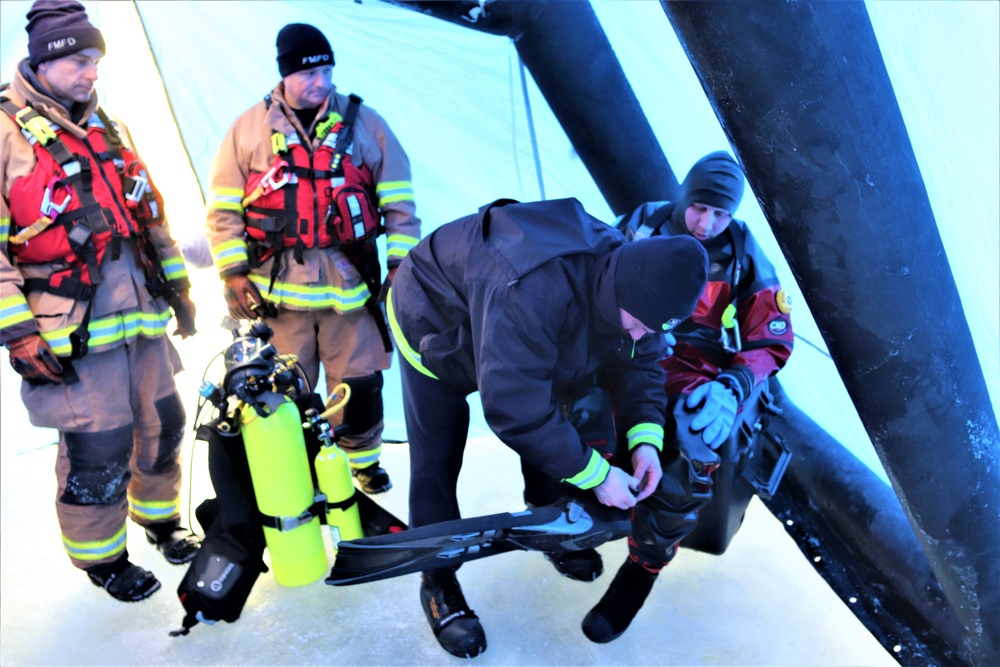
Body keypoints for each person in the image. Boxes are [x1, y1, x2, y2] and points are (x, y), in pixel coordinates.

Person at [388, 196, 709, 658]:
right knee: (438, 453)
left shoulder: (638, 287)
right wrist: (598, 476)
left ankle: (548, 518)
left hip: (521, 321)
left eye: (651, 329)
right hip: (436, 321)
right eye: (638, 324)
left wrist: (645, 443)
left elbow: (643, 366)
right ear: (621, 293)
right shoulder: (533, 291)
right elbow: (515, 409)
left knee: (561, 416)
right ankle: (438, 579)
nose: (641, 334)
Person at [0, 0, 200, 602]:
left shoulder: (107, 127)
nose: (93, 73)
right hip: (71, 332)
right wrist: (17, 331)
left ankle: (160, 522)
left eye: (97, 62)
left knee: (163, 425)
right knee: (99, 448)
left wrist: (179, 289)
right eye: (80, 62)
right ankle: (103, 559)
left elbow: (150, 216)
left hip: (141, 317)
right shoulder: (4, 133)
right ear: (45, 61)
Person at [581, 151, 795, 643]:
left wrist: (734, 386)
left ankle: (643, 567)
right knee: (579, 410)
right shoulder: (642, 224)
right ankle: (578, 527)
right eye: (700, 207)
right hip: (627, 348)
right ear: (684, 195)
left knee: (696, 441)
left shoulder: (741, 251)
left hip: (692, 366)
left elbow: (772, 335)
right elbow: (595, 283)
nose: (707, 223)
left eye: (721, 212)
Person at [206, 23, 419, 495]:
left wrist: (400, 268)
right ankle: (298, 470)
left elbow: (400, 203)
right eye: (308, 73)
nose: (320, 81)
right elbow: (222, 210)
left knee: (359, 385)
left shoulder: (367, 125)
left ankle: (361, 464)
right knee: (282, 393)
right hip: (277, 299)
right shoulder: (247, 130)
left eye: (326, 70)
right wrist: (233, 273)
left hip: (351, 291)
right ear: (285, 74)